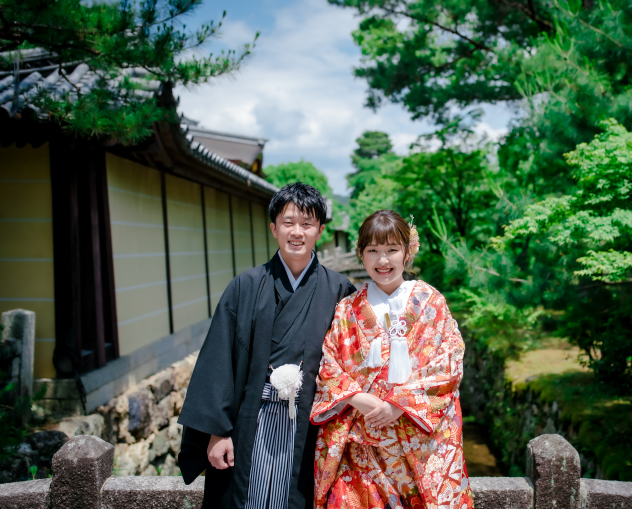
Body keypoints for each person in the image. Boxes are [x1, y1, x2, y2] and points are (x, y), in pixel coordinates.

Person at [178, 183, 356, 509]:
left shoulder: (339, 289)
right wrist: (217, 433)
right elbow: (219, 363)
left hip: (311, 425)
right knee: (247, 496)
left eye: (307, 223)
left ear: (321, 230)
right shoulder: (245, 287)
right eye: (288, 222)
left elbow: (353, 365)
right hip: (251, 420)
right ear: (274, 228)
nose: (297, 232)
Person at [310, 210, 474, 509]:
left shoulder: (430, 301)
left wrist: (398, 404)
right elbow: (329, 366)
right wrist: (360, 399)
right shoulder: (347, 309)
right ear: (361, 254)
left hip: (419, 446)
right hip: (363, 443)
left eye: (391, 250)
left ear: (407, 252)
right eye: (372, 250)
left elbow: (448, 364)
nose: (382, 260)